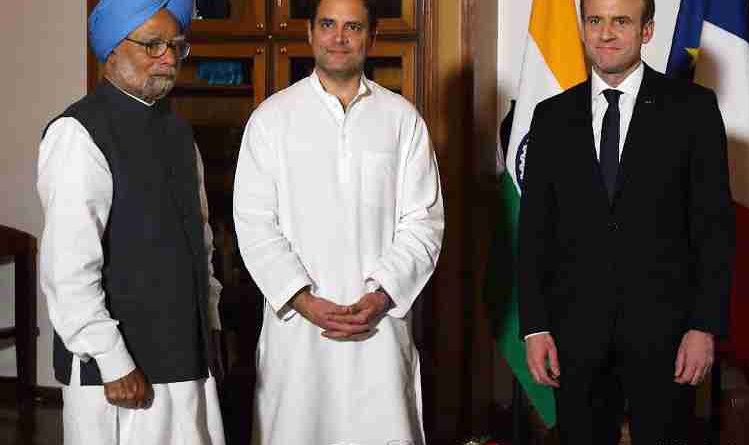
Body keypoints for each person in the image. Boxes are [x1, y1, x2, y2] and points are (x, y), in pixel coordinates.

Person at [518, 0, 734, 443]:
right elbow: (534, 234)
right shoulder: (551, 117)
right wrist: (535, 326)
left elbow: (714, 228)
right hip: (576, 339)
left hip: (668, 338)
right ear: (583, 28)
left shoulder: (692, 110)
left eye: (621, 21)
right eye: (595, 21)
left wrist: (704, 325)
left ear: (647, 30)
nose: (606, 33)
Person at [233, 0, 444, 442]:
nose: (339, 37)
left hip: (379, 333)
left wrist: (383, 294)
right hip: (297, 336)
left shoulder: (402, 120)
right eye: (328, 24)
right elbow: (254, 225)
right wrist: (302, 299)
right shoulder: (270, 120)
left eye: (353, 26)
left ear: (371, 36)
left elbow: (423, 222)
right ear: (309, 32)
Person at [37, 0, 225, 443]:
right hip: (119, 375)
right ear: (111, 52)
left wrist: (209, 327)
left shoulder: (178, 132)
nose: (166, 58)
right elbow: (68, 269)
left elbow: (200, 245)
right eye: (152, 45)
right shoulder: (78, 134)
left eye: (175, 46)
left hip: (185, 357)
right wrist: (112, 360)